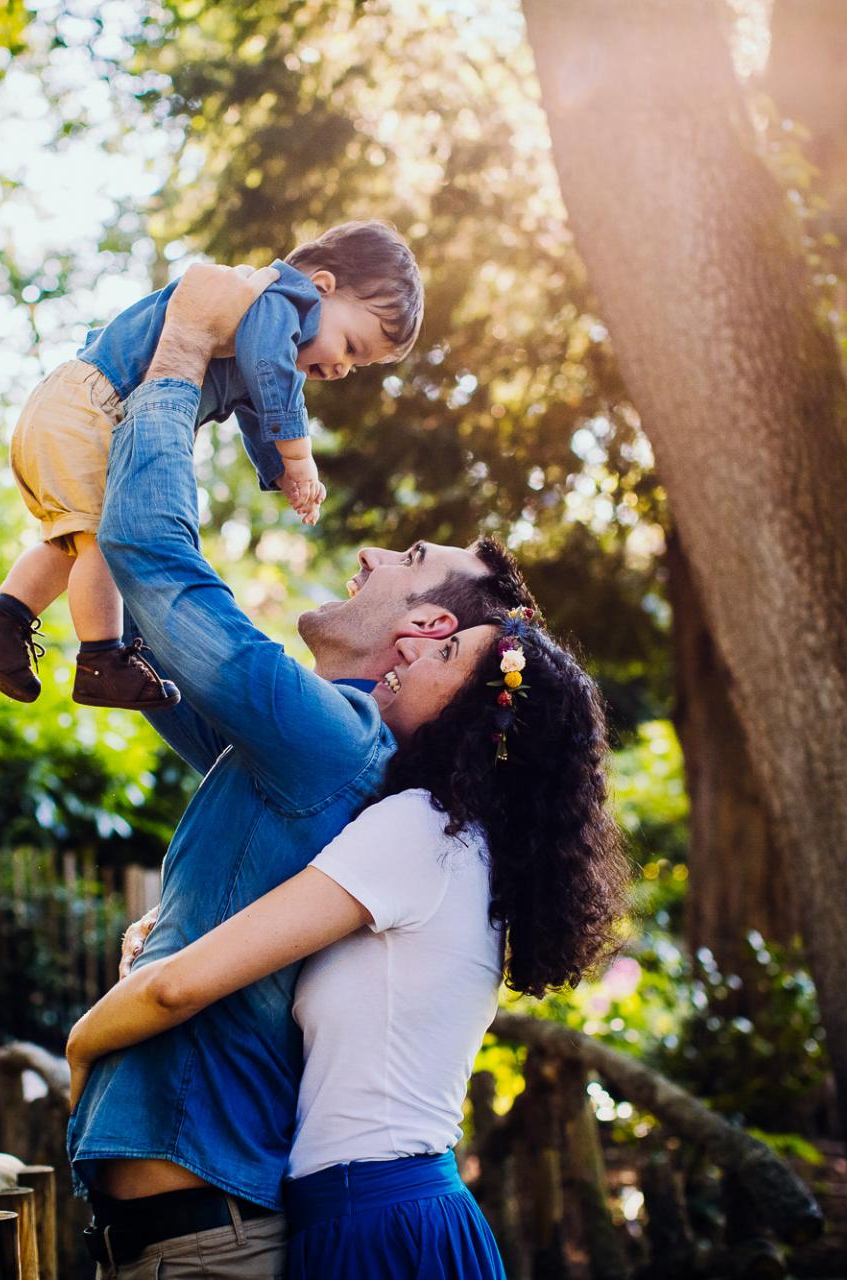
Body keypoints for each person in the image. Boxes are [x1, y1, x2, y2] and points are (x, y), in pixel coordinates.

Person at [61, 261, 535, 1278]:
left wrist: (186, 344)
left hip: (206, 1240)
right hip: (183, 1235)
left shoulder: (328, 737)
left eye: (406, 554)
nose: (369, 551)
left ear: (428, 624)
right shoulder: (311, 744)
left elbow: (151, 551)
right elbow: (151, 630)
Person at [67, 603, 630, 1278]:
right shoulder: (463, 844)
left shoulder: (422, 829)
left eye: (446, 656)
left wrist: (82, 1046)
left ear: (477, 722)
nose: (415, 654)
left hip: (378, 1221)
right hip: (369, 1209)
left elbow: (177, 987)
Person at [0, 221, 423, 712]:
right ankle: (101, 660)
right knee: (106, 540)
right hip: (95, 404)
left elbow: (255, 411)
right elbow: (273, 375)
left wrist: (278, 470)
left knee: (78, 540)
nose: (343, 369)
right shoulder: (276, 299)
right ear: (321, 287)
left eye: (358, 365)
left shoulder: (261, 327)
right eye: (350, 345)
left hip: (80, 405)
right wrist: (298, 455)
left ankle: (0, 622)